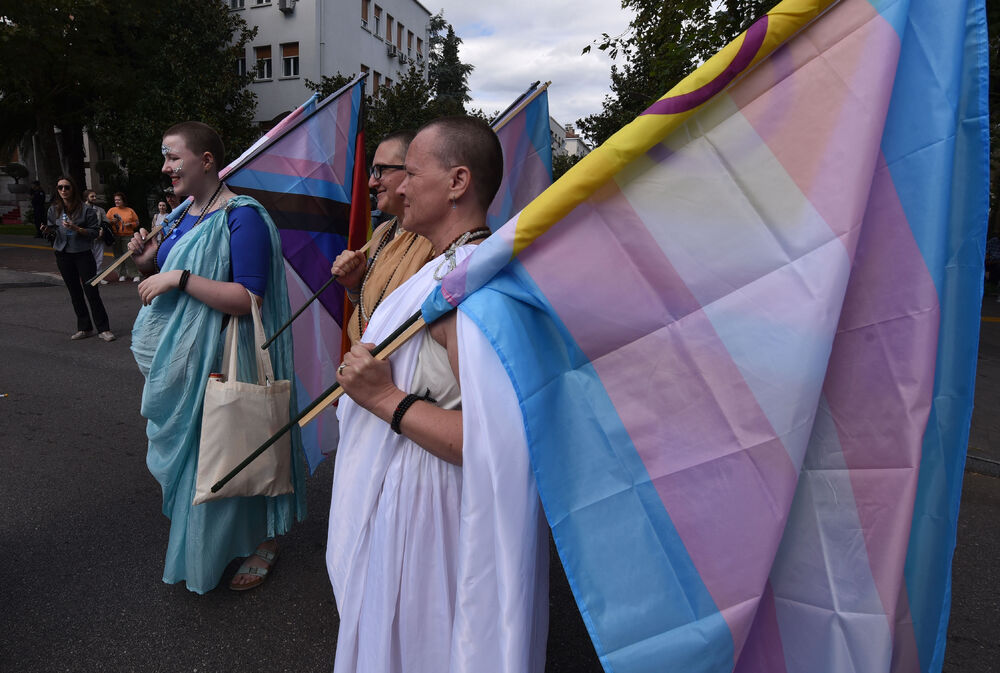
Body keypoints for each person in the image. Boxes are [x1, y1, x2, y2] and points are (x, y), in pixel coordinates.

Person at [327, 117, 548, 672]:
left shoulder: (477, 291)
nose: (398, 187)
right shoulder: (444, 270)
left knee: (424, 645)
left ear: (457, 182)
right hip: (409, 493)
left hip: (435, 511)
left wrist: (383, 398)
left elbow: (492, 440)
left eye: (412, 173)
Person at [128, 121, 307, 594]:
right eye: (164, 157)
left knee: (229, 452)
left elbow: (249, 298)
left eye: (173, 156)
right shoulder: (182, 214)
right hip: (183, 364)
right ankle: (214, 546)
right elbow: (160, 276)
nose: (165, 167)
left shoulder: (242, 216)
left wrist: (179, 277)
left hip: (224, 356)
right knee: (206, 461)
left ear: (206, 160)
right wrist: (147, 261)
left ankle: (262, 541)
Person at [331, 130, 434, 345]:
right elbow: (372, 314)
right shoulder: (382, 233)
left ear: (412, 171)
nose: (371, 182)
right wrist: (355, 286)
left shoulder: (434, 237)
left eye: (380, 170)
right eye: (372, 172)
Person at [42, 177, 116, 342]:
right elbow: (53, 230)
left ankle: (104, 329)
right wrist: (47, 231)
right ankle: (84, 327)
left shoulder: (86, 210)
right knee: (74, 292)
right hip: (63, 253)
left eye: (66, 187)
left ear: (73, 189)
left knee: (91, 291)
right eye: (60, 187)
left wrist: (76, 228)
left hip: (83, 253)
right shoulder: (54, 210)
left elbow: (94, 232)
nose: (63, 190)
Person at [107, 192, 140, 282]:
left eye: (119, 200)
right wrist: (112, 222)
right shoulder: (111, 210)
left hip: (128, 235)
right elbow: (106, 222)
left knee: (129, 255)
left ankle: (134, 274)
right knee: (117, 256)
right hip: (115, 236)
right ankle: (122, 274)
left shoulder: (130, 210)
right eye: (115, 200)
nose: (117, 201)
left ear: (123, 201)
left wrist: (131, 224)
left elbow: (137, 222)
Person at [83, 190, 110, 276]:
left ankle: (98, 277)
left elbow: (106, 222)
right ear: (86, 197)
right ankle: (89, 277)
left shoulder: (100, 210)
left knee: (99, 259)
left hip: (98, 237)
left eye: (95, 196)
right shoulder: (80, 209)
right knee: (87, 259)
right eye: (92, 196)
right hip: (85, 238)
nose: (94, 198)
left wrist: (102, 229)